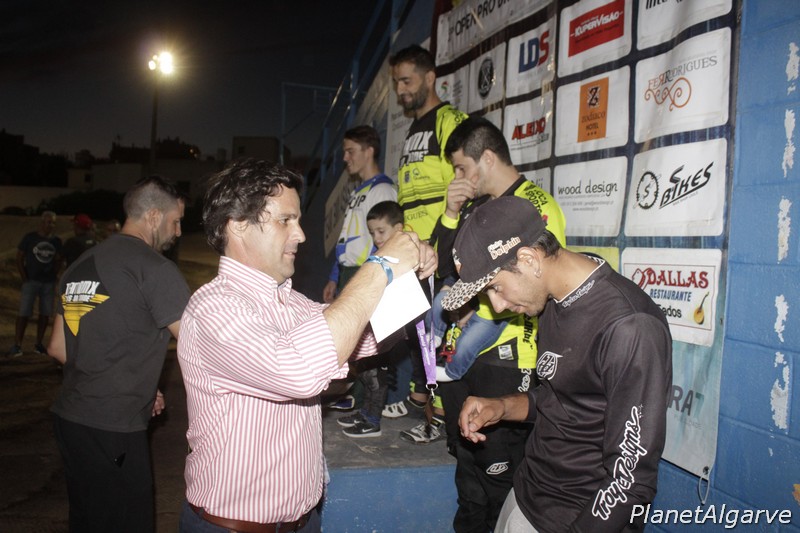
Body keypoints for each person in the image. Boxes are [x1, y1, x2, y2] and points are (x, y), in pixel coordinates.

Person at [176, 159, 436, 533]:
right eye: (286, 220)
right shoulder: (213, 308)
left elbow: (363, 338)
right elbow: (299, 372)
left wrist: (413, 277)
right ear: (238, 225)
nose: (300, 234)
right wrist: (381, 265)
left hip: (303, 522)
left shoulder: (292, 303)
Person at [449, 197, 673, 533]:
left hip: (575, 518)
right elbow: (562, 398)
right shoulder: (553, 299)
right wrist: (502, 407)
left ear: (529, 259)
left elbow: (630, 480)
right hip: (526, 494)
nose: (496, 306)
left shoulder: (630, 327)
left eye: (495, 287)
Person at [431, 117, 567, 532]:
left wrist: (479, 302)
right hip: (461, 356)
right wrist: (451, 213)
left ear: (486, 158)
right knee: (468, 478)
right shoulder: (476, 208)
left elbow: (540, 284)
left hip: (507, 360)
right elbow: (444, 270)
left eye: (462, 167)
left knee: (500, 486)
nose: (458, 177)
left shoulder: (535, 204)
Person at [47, 176, 190, 533]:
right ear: (154, 216)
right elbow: (198, 346)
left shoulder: (79, 265)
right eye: (175, 221)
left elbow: (58, 348)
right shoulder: (154, 268)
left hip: (70, 419)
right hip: (114, 425)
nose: (178, 232)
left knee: (88, 520)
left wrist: (141, 383)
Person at [386, 44, 468, 442]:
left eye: (407, 81)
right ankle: (422, 403)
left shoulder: (449, 120)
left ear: (430, 77)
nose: (401, 90)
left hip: (440, 249)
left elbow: (465, 179)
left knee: (440, 337)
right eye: (396, 83)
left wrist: (443, 240)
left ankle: (438, 421)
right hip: (414, 252)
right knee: (418, 332)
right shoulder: (412, 130)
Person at [337, 200, 409, 438]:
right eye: (372, 233)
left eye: (381, 231)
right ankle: (365, 412)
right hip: (374, 323)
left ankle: (372, 421)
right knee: (366, 372)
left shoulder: (405, 256)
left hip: (392, 327)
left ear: (398, 229)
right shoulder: (377, 254)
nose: (376, 238)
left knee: (378, 375)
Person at [322, 125, 397, 303]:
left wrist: (368, 272)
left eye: (351, 151)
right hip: (348, 273)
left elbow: (386, 239)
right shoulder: (357, 192)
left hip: (364, 273)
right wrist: (334, 277)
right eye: (345, 152)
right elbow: (345, 239)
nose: (345, 158)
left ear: (369, 151)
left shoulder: (383, 190)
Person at [8, 211, 62, 357]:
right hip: (31, 281)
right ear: (42, 222)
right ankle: (17, 345)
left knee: (45, 314)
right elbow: (19, 257)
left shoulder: (56, 241)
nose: (50, 225)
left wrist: (54, 274)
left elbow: (58, 259)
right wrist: (24, 277)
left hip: (48, 283)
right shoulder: (30, 238)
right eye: (48, 222)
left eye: (53, 222)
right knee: (24, 313)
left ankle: (38, 344)